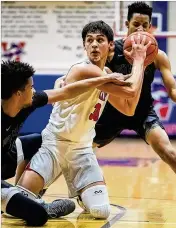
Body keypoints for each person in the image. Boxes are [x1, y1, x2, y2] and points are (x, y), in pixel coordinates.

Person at [16, 20, 151, 219]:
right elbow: (130, 89)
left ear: (110, 45)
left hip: (82, 149)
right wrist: (140, 61)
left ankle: (81, 194)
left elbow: (129, 108)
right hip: (54, 145)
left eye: (100, 40)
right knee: (19, 204)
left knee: (101, 211)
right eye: (89, 40)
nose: (94, 44)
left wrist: (140, 65)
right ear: (84, 46)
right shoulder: (83, 70)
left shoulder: (106, 75)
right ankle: (42, 200)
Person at [92, 2, 176, 217]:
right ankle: (41, 188)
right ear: (126, 24)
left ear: (150, 28)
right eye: (135, 24)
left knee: (166, 149)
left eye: (145, 26)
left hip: (142, 113)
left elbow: (172, 88)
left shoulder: (157, 55)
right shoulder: (112, 51)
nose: (140, 30)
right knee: (79, 149)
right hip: (113, 111)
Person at [1, 60, 130, 225]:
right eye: (30, 87)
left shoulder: (30, 100)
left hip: (5, 157)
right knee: (37, 215)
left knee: (38, 140)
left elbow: (68, 91)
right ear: (18, 93)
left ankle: (21, 193)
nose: (34, 90)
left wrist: (105, 78)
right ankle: (36, 203)